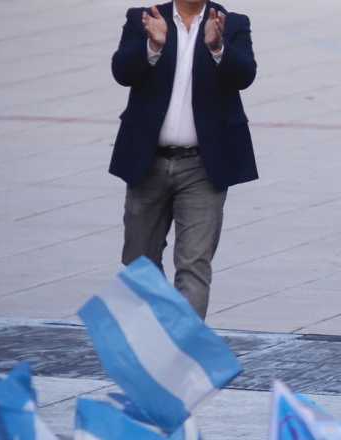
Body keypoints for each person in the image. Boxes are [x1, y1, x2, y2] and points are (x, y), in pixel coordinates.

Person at [109, 0, 257, 319]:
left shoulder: (231, 24)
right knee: (138, 262)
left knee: (194, 264)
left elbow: (245, 75)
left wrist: (217, 48)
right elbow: (121, 72)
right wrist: (153, 45)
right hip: (148, 163)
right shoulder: (145, 19)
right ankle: (154, 336)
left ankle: (184, 345)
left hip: (203, 167)